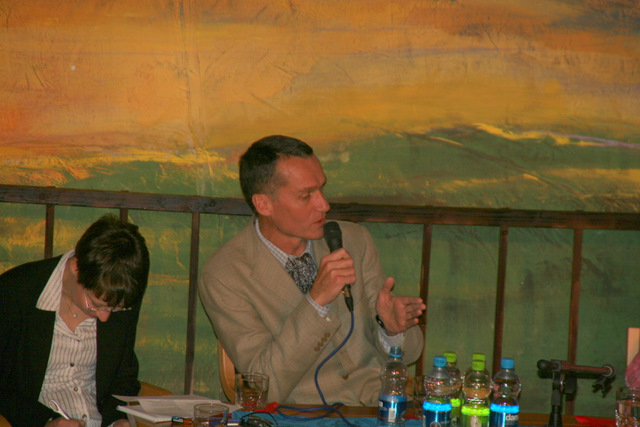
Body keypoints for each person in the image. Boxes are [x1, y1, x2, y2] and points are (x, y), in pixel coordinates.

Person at [199, 135, 426, 406]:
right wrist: (315, 301)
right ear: (263, 204)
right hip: (300, 412)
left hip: (378, 406)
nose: (324, 205)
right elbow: (265, 385)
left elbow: (410, 353)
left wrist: (391, 329)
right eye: (306, 196)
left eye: (321, 189)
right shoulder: (225, 275)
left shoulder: (354, 240)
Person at [0, 214, 150, 427]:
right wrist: (45, 422)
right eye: (95, 304)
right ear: (76, 267)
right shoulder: (15, 292)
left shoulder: (121, 295)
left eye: (114, 308)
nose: (105, 316)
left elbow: (123, 376)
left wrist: (117, 420)